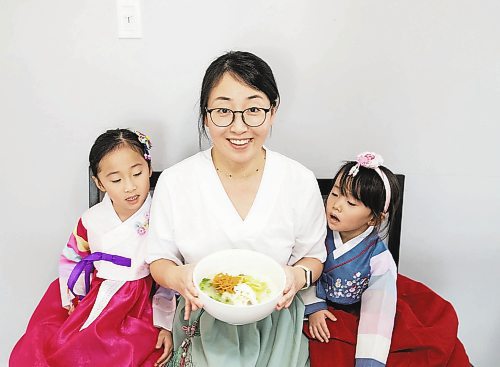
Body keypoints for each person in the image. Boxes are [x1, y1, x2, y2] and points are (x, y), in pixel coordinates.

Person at [146, 51, 327, 367]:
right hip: (200, 315)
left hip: (276, 320)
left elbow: (313, 259)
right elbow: (159, 260)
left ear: (273, 111)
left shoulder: (299, 180)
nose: (239, 127)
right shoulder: (176, 182)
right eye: (223, 111)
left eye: (253, 109)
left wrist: (297, 278)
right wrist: (178, 277)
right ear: (206, 115)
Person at [10, 129, 175, 367]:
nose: (129, 187)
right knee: (59, 346)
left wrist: (164, 323)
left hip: (138, 303)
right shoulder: (91, 219)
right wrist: (74, 298)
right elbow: (73, 257)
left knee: (123, 353)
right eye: (116, 180)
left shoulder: (161, 218)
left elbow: (168, 274)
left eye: (137, 173)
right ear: (99, 182)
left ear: (149, 169)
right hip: (94, 292)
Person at [303, 152, 471, 367]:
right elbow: (303, 265)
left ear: (374, 217)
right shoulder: (316, 230)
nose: (336, 205)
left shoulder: (379, 259)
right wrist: (314, 308)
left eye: (351, 203)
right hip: (319, 304)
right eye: (335, 194)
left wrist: (369, 361)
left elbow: (376, 311)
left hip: (359, 307)